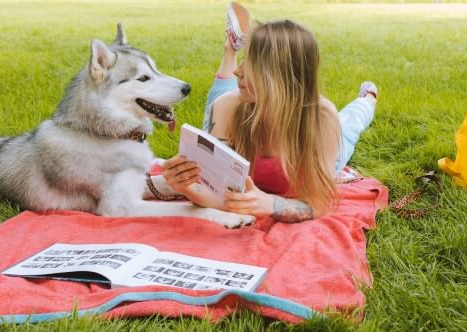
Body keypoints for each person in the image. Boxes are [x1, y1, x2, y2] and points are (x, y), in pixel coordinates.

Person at [158, 12, 379, 223]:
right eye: (242, 61)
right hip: (238, 106)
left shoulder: (320, 118)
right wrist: (186, 186)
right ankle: (230, 51)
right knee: (220, 99)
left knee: (350, 126)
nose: (238, 71)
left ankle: (368, 98)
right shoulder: (227, 106)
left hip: (319, 147)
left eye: (250, 63)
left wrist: (273, 205)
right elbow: (213, 192)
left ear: (278, 75)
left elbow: (320, 203)